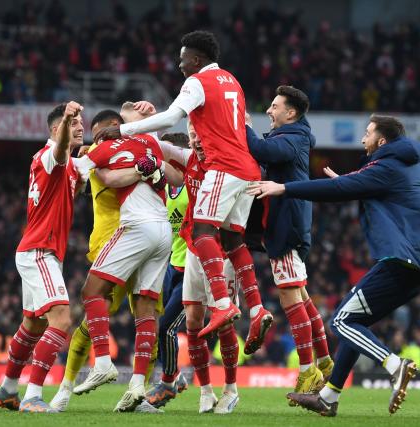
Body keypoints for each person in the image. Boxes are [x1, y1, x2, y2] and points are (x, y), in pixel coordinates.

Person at [250, 115, 420, 416]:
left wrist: (284, 188)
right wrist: (346, 182)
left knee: (341, 321)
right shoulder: (402, 162)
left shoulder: (387, 166)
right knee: (355, 319)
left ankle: (394, 364)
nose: (363, 139)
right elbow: (359, 185)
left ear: (382, 141)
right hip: (418, 262)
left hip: (405, 260)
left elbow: (344, 190)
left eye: (368, 133)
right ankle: (329, 396)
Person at [94, 30, 272, 346]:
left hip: (222, 166)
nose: (180, 66)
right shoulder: (232, 81)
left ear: (197, 58)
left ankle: (221, 304)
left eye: (183, 59)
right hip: (247, 169)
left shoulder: (197, 82)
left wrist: (120, 130)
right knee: (232, 239)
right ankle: (257, 309)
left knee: (201, 231)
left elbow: (171, 119)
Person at [50, 106, 166, 414]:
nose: (97, 139)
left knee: (146, 315)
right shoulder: (107, 151)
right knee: (94, 322)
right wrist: (146, 165)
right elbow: (106, 176)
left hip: (136, 232)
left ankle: (136, 392)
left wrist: (145, 136)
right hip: (112, 240)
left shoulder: (130, 145)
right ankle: (64, 389)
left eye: (100, 133)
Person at [0, 102, 84, 413]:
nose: (80, 126)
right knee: (61, 320)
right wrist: (66, 122)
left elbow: (74, 179)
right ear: (57, 130)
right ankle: (32, 396)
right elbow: (58, 155)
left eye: (80, 122)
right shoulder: (49, 156)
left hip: (39, 251)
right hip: (40, 251)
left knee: (32, 325)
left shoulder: (69, 164)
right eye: (73, 124)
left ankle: (7, 388)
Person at [245, 86, 334, 399]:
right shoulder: (293, 136)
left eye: (274, 106)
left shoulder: (293, 138)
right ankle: (323, 362)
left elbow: (265, 152)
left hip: (286, 228)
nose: (269, 111)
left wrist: (242, 125)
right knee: (300, 295)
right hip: (286, 225)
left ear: (291, 112)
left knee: (288, 296)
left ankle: (308, 368)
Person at [156, 120, 240, 414]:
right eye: (193, 136)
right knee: (192, 319)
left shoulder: (228, 165)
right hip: (193, 247)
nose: (198, 141)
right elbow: (160, 150)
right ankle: (205, 390)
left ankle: (231, 388)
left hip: (223, 252)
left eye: (202, 135)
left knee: (224, 320)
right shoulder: (189, 162)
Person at [145, 132, 190, 409]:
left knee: (167, 328)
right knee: (158, 327)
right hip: (169, 267)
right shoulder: (164, 186)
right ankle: (176, 378)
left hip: (193, 269)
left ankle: (169, 383)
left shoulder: (193, 185)